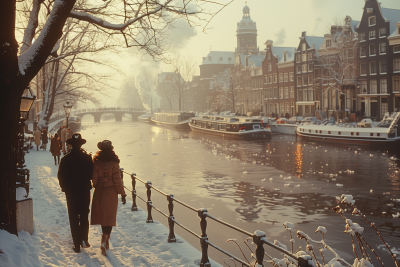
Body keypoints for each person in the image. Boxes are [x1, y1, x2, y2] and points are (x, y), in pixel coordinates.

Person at [57, 133, 93, 253]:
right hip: (84, 190)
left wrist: (64, 187)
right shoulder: (88, 158)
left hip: (71, 191)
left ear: (71, 145)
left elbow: (60, 176)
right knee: (84, 214)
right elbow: (92, 174)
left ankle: (76, 244)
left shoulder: (65, 159)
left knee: (73, 216)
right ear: (81, 144)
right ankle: (84, 240)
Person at [91, 140, 126, 256]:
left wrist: (98, 183)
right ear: (111, 149)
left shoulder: (96, 162)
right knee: (110, 216)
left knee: (102, 215)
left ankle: (103, 239)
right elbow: (117, 181)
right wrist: (122, 194)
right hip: (111, 192)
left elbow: (94, 181)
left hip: (100, 191)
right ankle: (106, 238)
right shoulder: (115, 163)